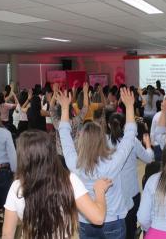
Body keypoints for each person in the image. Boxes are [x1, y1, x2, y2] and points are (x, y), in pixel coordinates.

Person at [2, 130, 112, 239]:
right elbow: (98, 218)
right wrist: (99, 190)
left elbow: (7, 234)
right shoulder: (69, 180)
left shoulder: (17, 187)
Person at [59, 87, 137, 238]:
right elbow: (129, 135)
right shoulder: (113, 162)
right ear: (102, 140)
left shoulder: (74, 163)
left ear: (81, 142)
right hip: (113, 221)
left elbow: (64, 135)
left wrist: (64, 108)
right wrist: (129, 106)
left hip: (86, 221)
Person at [107, 112, 154, 239]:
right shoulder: (132, 141)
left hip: (111, 194)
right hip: (131, 193)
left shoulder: (104, 142)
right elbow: (149, 159)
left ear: (108, 125)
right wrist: (148, 145)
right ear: (124, 126)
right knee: (130, 228)